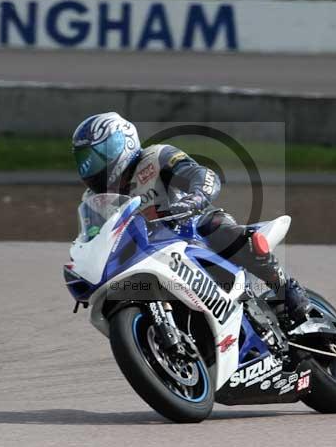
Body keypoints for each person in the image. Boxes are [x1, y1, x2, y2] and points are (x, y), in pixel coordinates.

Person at [72, 112, 310, 328]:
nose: (91, 166)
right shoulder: (95, 199)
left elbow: (203, 175)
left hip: (190, 227)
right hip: (147, 253)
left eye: (98, 155)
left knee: (218, 229)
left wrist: (195, 198)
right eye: (85, 160)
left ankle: (286, 288)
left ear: (125, 141)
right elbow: (95, 237)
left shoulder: (156, 157)